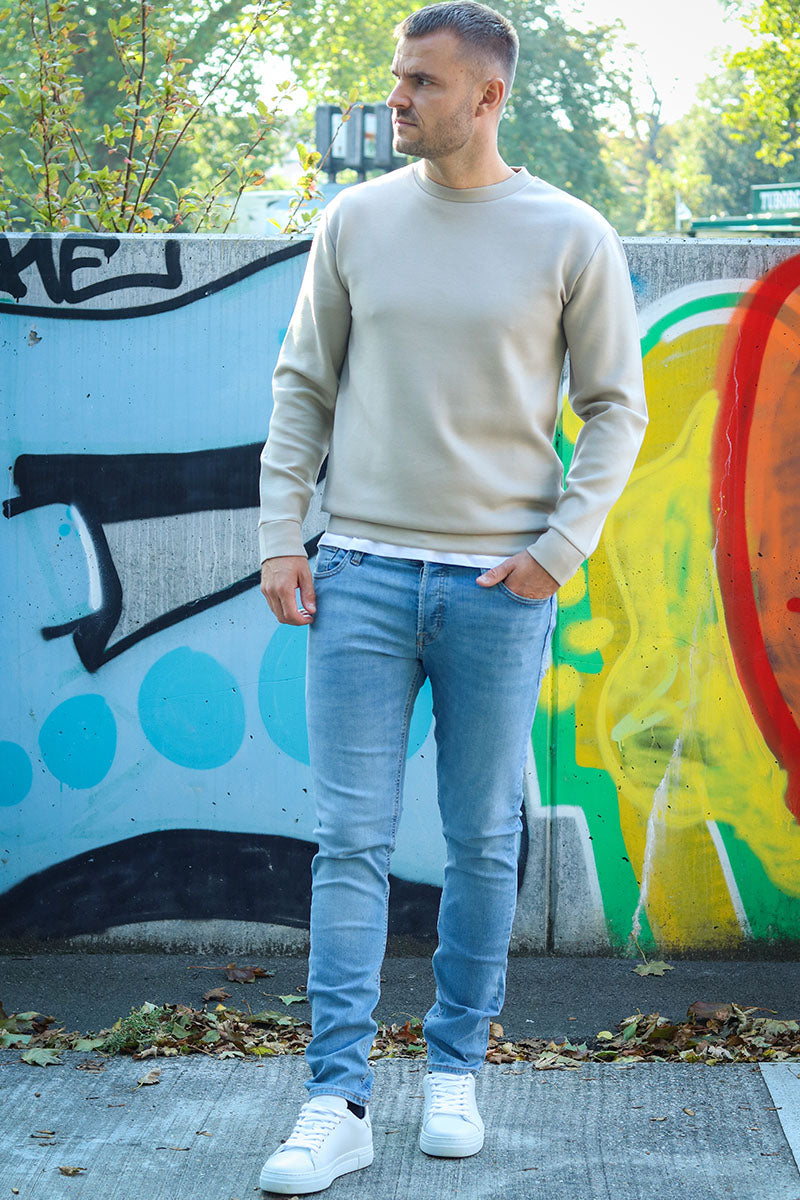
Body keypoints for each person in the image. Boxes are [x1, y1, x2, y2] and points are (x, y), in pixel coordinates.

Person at [257, 2, 647, 1192]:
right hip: (360, 575)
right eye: (395, 78)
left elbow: (615, 409)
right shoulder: (355, 221)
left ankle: (454, 1073)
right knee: (348, 841)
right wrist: (281, 535)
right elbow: (302, 384)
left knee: (482, 841)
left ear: (486, 97)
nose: (397, 99)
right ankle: (335, 1101)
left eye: (421, 82)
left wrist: (555, 552)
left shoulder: (569, 233)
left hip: (496, 588)